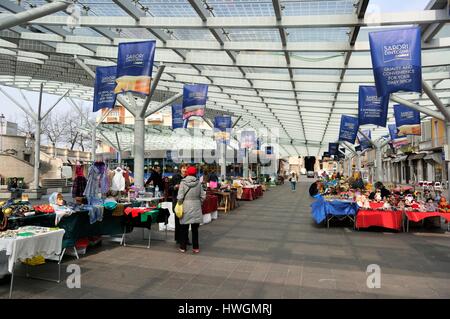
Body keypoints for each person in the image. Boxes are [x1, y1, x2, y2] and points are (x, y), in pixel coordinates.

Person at [177, 166, 206, 253]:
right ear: (195, 173)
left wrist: (180, 203)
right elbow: (203, 196)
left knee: (184, 228)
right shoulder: (198, 183)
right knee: (195, 229)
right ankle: (195, 248)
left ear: (187, 173)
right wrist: (199, 202)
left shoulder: (183, 182)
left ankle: (183, 247)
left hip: (186, 206)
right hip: (196, 206)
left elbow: (180, 196)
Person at [171, 164, 188, 244]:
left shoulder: (188, 178)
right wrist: (175, 187)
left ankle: (185, 238)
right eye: (184, 168)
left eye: (186, 168)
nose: (185, 170)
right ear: (180, 169)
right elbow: (170, 187)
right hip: (177, 201)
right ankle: (178, 238)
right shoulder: (175, 177)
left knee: (186, 221)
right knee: (178, 221)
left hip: (186, 202)